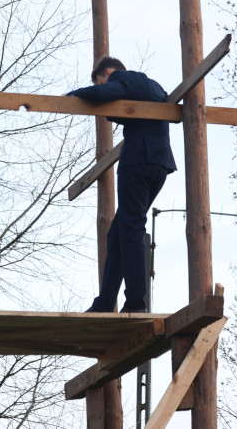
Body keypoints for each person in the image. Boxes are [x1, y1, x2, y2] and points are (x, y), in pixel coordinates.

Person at [67, 57, 176, 313]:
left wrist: (76, 94)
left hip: (137, 161)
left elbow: (109, 91)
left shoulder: (122, 79)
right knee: (118, 231)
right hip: (159, 165)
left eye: (100, 80)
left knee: (131, 228)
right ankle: (105, 302)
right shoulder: (152, 87)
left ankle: (136, 302)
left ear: (107, 71)